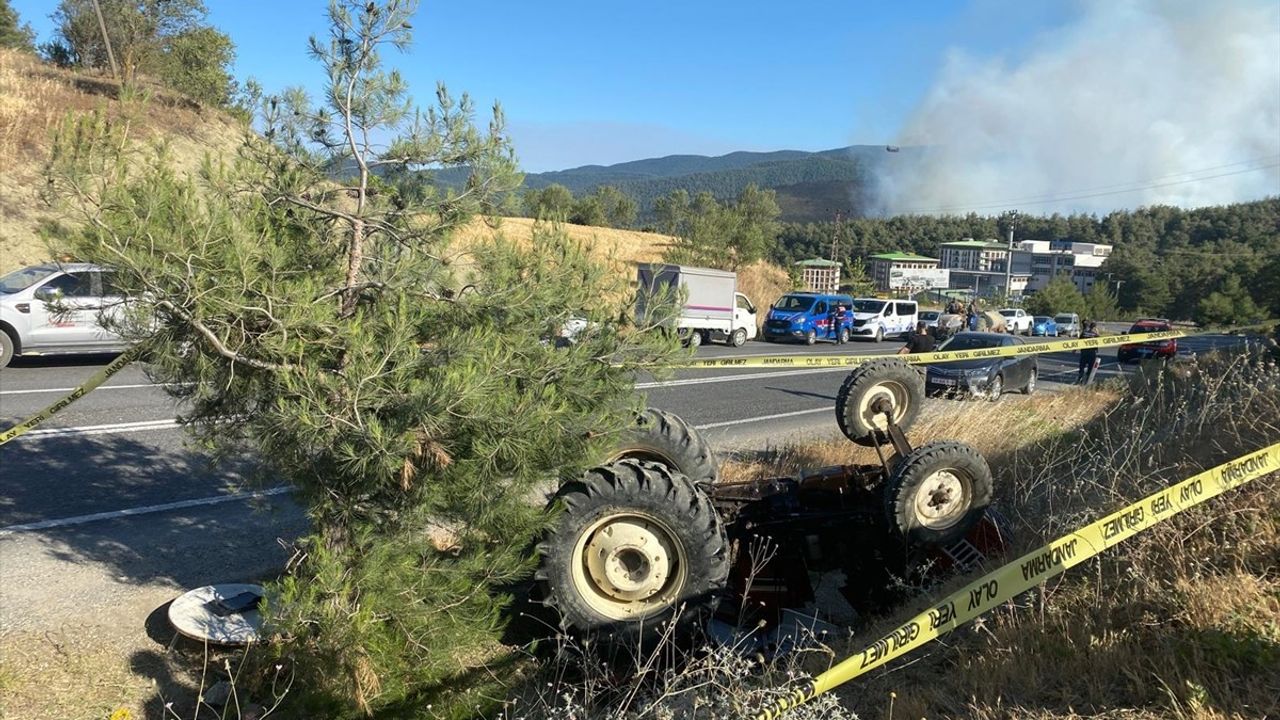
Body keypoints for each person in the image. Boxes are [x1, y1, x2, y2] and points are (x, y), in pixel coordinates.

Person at [1076, 320, 1101, 384]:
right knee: (1090, 367)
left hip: (1084, 352)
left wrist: (1075, 349)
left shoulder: (1084, 333)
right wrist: (1097, 332)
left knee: (1082, 366)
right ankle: (1087, 380)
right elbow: (1101, 341)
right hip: (1092, 353)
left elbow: (1078, 342)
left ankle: (1080, 378)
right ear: (1095, 327)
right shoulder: (1095, 334)